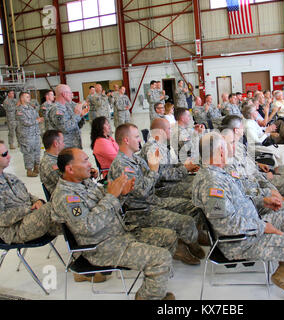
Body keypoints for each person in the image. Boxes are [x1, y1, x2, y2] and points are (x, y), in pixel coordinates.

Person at [192, 132, 284, 300]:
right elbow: (225, 224)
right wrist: (263, 226)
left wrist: (263, 201)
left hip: (249, 227)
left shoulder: (218, 173)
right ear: (220, 151)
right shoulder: (212, 183)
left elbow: (239, 200)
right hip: (240, 241)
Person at [51, 147, 177, 299]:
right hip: (103, 247)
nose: (90, 165)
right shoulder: (66, 197)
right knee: (161, 258)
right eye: (84, 161)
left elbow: (107, 207)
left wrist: (121, 195)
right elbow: (87, 227)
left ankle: (155, 284)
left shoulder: (84, 183)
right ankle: (148, 296)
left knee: (169, 236)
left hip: (120, 233)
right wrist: (111, 196)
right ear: (70, 169)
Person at [108, 123, 205, 265]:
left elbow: (158, 173)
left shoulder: (135, 159)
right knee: (186, 221)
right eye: (136, 137)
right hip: (139, 212)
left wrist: (179, 168)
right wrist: (153, 170)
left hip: (152, 201)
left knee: (192, 207)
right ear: (126, 140)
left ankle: (190, 240)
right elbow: (141, 192)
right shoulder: (121, 165)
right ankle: (181, 247)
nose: (140, 140)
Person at [0, 140, 61, 244]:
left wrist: (38, 201)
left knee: (72, 219)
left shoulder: (10, 177)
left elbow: (28, 196)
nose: (9, 156)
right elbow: (1, 219)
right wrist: (29, 209)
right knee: (54, 207)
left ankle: (81, 256)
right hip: (15, 230)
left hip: (32, 219)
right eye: (4, 154)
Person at [140, 118, 199, 201]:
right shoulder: (152, 148)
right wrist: (185, 169)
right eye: (169, 129)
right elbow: (161, 175)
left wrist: (186, 166)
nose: (171, 131)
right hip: (163, 189)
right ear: (161, 131)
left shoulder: (160, 145)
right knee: (199, 189)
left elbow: (170, 165)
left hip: (171, 182)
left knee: (199, 181)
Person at [242, 104, 284, 178]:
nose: (257, 112)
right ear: (251, 114)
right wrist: (267, 132)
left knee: (283, 146)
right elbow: (257, 141)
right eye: (255, 111)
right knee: (283, 146)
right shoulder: (249, 125)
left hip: (262, 143)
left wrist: (269, 132)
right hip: (258, 148)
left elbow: (261, 132)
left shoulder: (252, 122)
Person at [47, 84, 88, 149]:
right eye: (70, 93)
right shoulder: (56, 109)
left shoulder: (67, 106)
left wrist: (80, 115)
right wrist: (77, 115)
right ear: (64, 94)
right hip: (66, 147)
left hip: (74, 144)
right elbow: (65, 128)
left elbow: (76, 125)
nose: (72, 95)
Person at [15, 92, 42, 177]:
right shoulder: (19, 110)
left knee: (37, 150)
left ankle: (36, 166)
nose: (29, 98)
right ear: (22, 98)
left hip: (35, 133)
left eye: (29, 97)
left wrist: (37, 120)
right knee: (28, 152)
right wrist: (37, 121)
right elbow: (25, 122)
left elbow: (37, 116)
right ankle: (29, 170)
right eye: (27, 97)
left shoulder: (31, 108)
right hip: (26, 135)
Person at [40, 130, 66, 195]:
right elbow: (66, 183)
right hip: (63, 197)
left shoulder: (56, 158)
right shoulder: (49, 163)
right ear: (56, 144)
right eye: (63, 141)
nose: (64, 144)